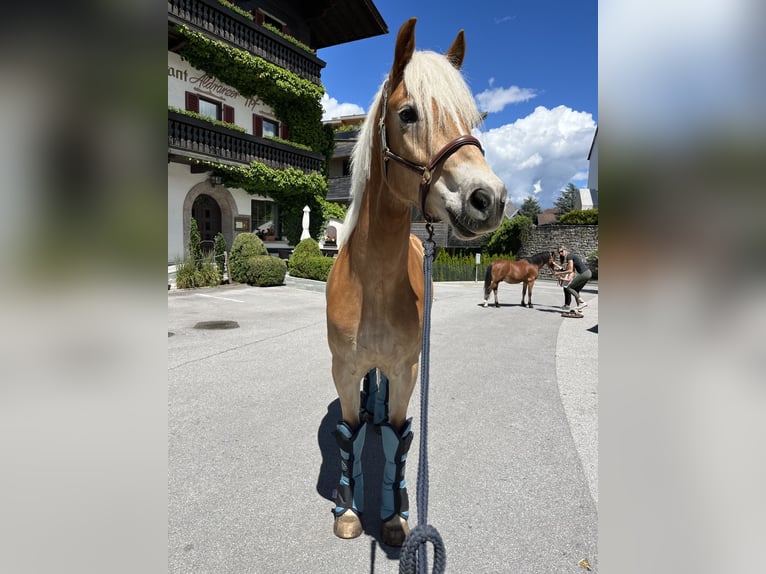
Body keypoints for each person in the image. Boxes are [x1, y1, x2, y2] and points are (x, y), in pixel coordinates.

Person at [554, 245, 592, 312]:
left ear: (565, 250)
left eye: (561, 251)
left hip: (585, 274)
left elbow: (570, 270)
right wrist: (559, 271)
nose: (560, 253)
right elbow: (570, 270)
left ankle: (582, 303)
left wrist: (558, 273)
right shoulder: (571, 257)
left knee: (569, 288)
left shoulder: (569, 256)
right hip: (588, 273)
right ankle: (579, 308)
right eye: (559, 252)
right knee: (576, 290)